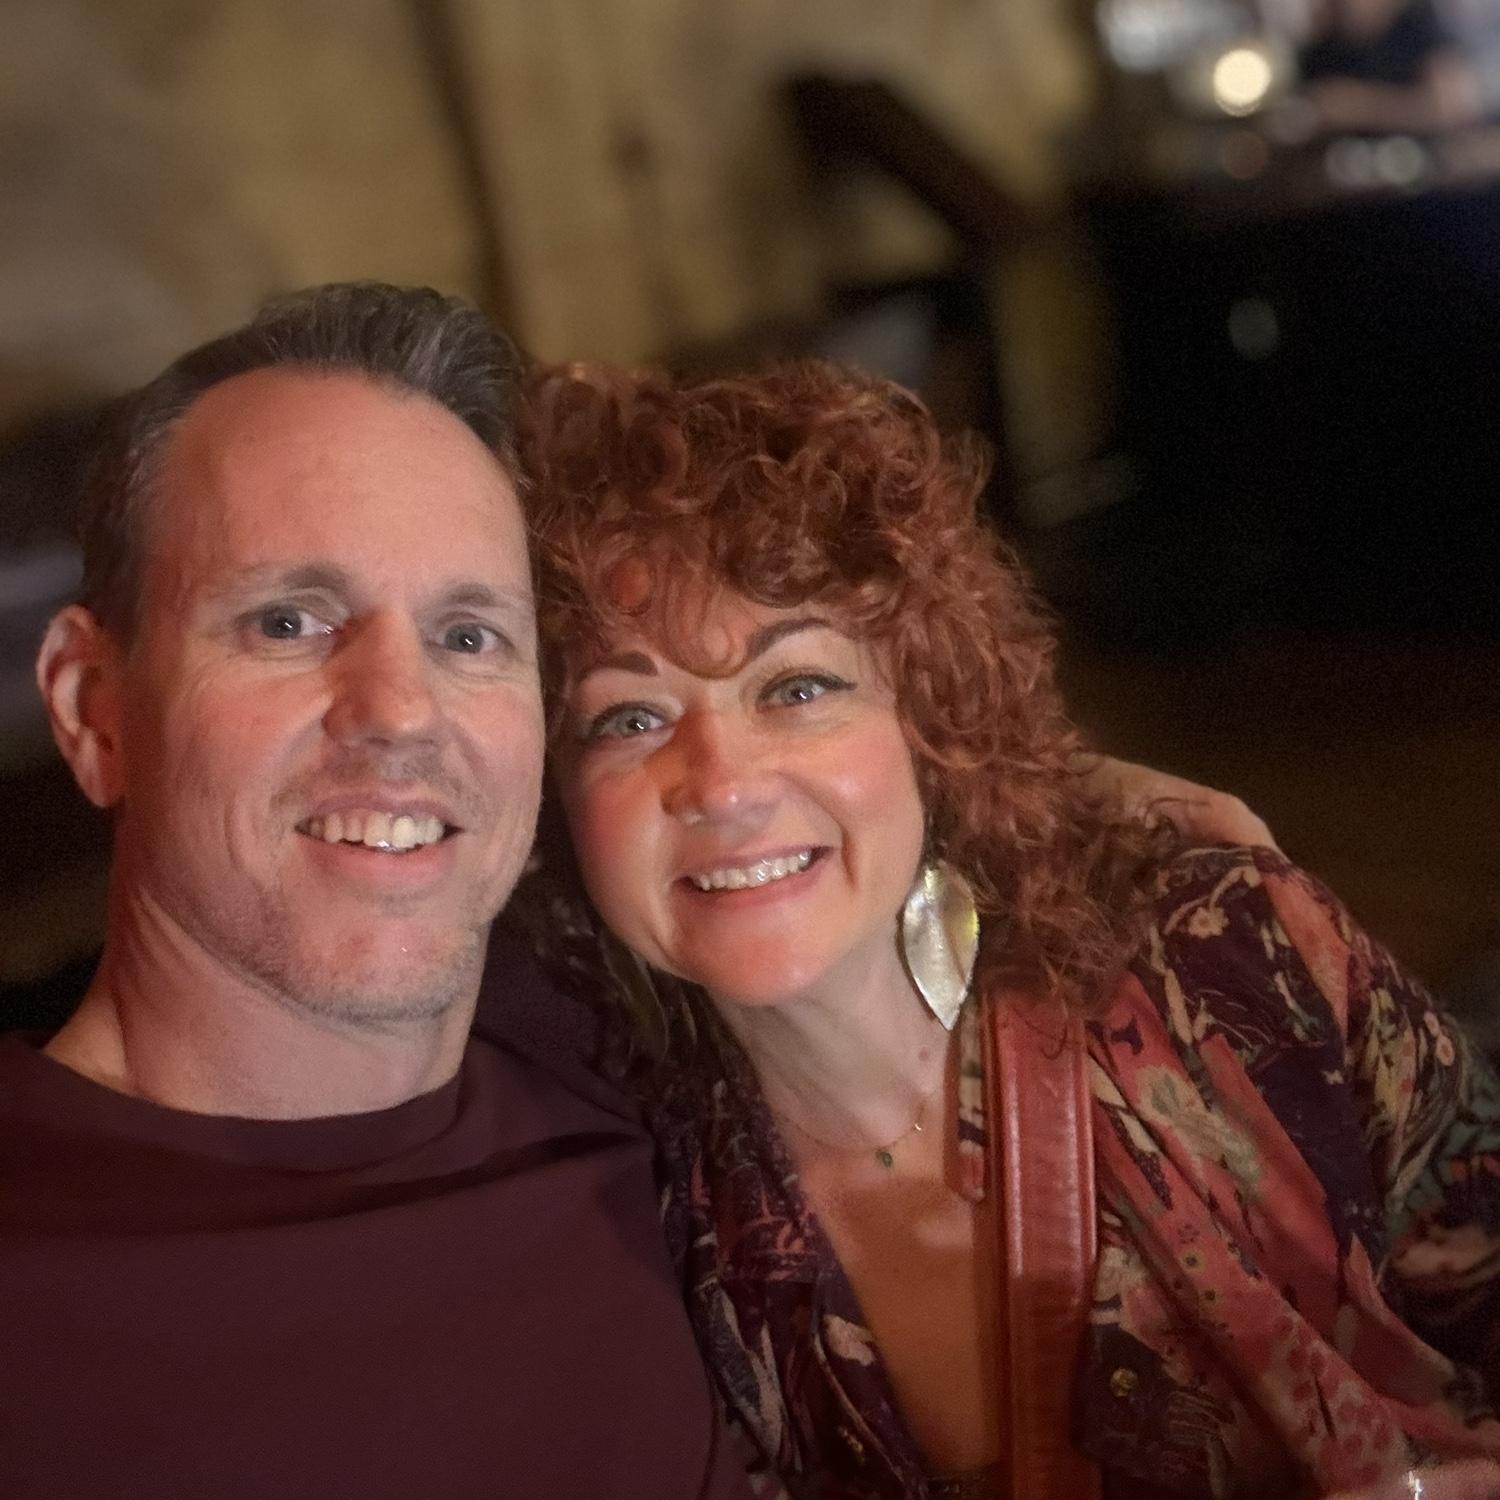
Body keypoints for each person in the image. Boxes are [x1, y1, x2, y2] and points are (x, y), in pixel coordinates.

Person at [516, 358, 1500, 1499]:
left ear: (932, 725)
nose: (722, 783)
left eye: (797, 688)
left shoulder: (1230, 961)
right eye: (630, 718)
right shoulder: (638, 1238)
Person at [5, 284, 754, 1499]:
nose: (401, 711)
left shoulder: (670, 1133)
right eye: (289, 621)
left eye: (468, 637)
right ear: (95, 710)